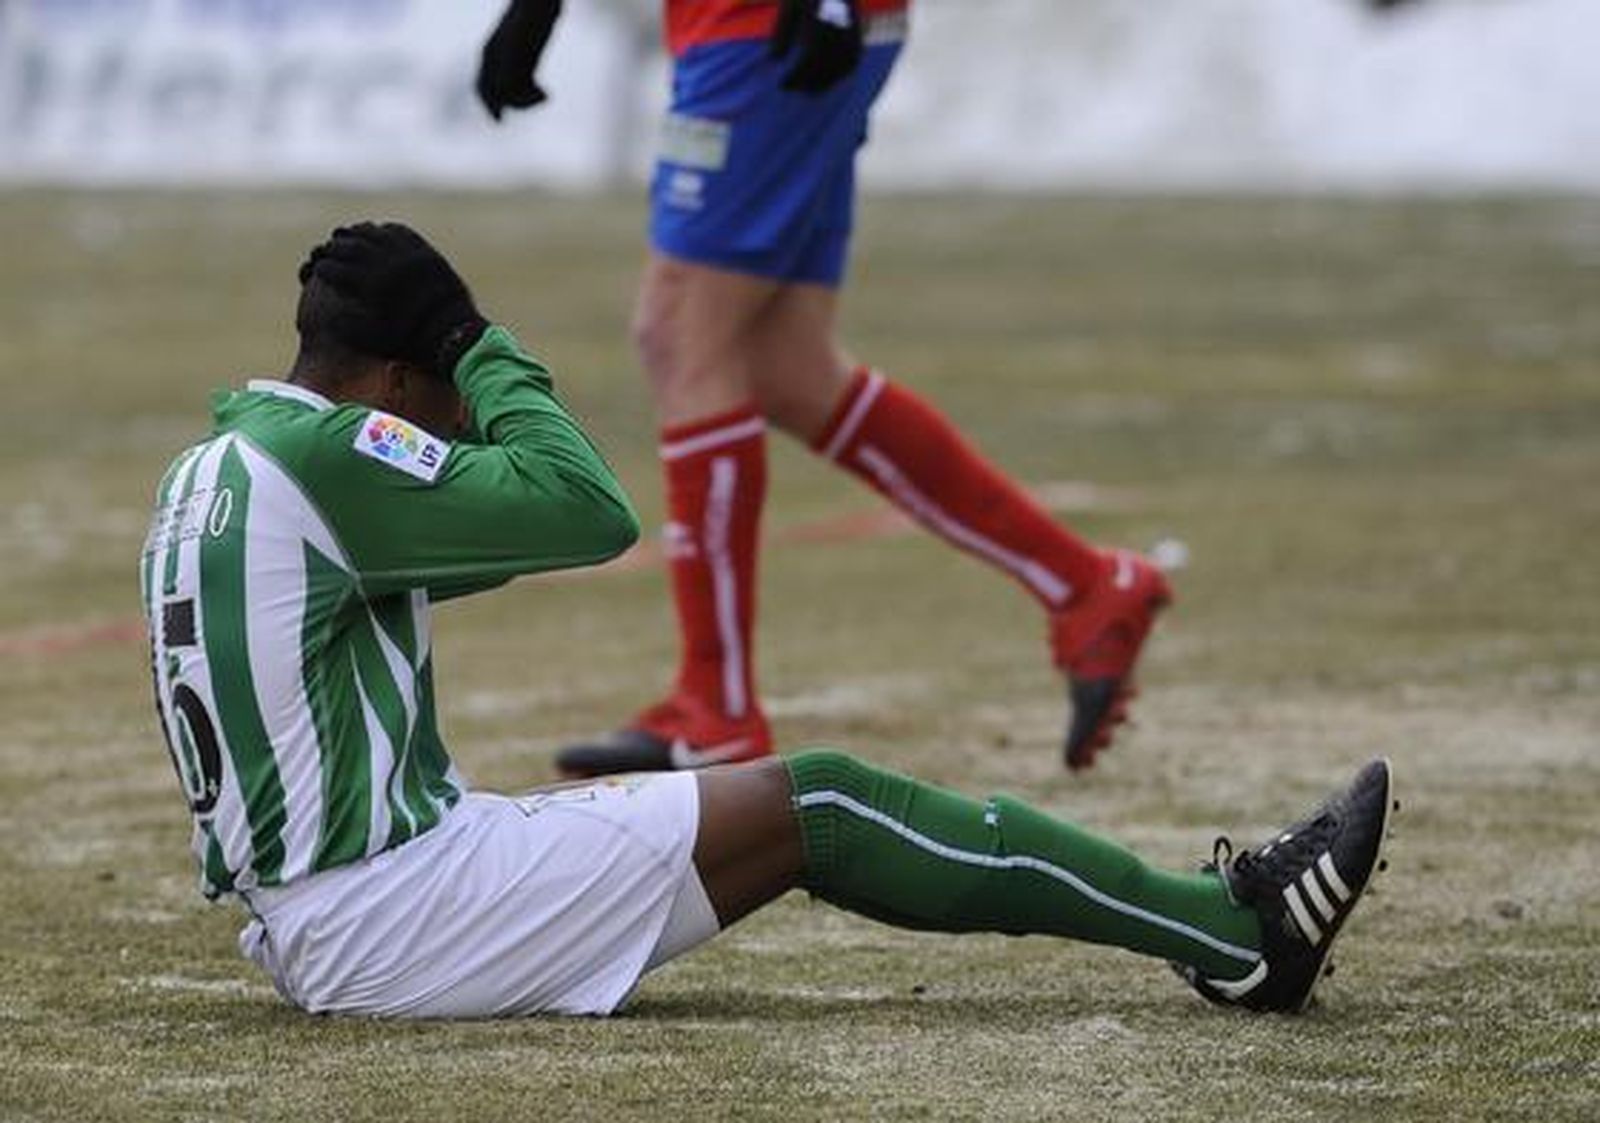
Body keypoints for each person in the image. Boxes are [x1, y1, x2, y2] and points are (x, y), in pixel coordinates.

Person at [139, 222, 1395, 1018]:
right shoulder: (337, 457)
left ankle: (1218, 925)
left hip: (337, 904)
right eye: (445, 391)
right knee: (825, 804)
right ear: (395, 379)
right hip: (394, 912)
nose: (459, 421)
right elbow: (586, 507)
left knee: (797, 803)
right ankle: (1234, 935)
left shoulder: (216, 469)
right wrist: (481, 343)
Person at [475, 0, 1173, 777]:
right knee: (789, 366)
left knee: (681, 336)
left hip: (765, 25)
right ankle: (1085, 586)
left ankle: (716, 706)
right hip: (768, 28)